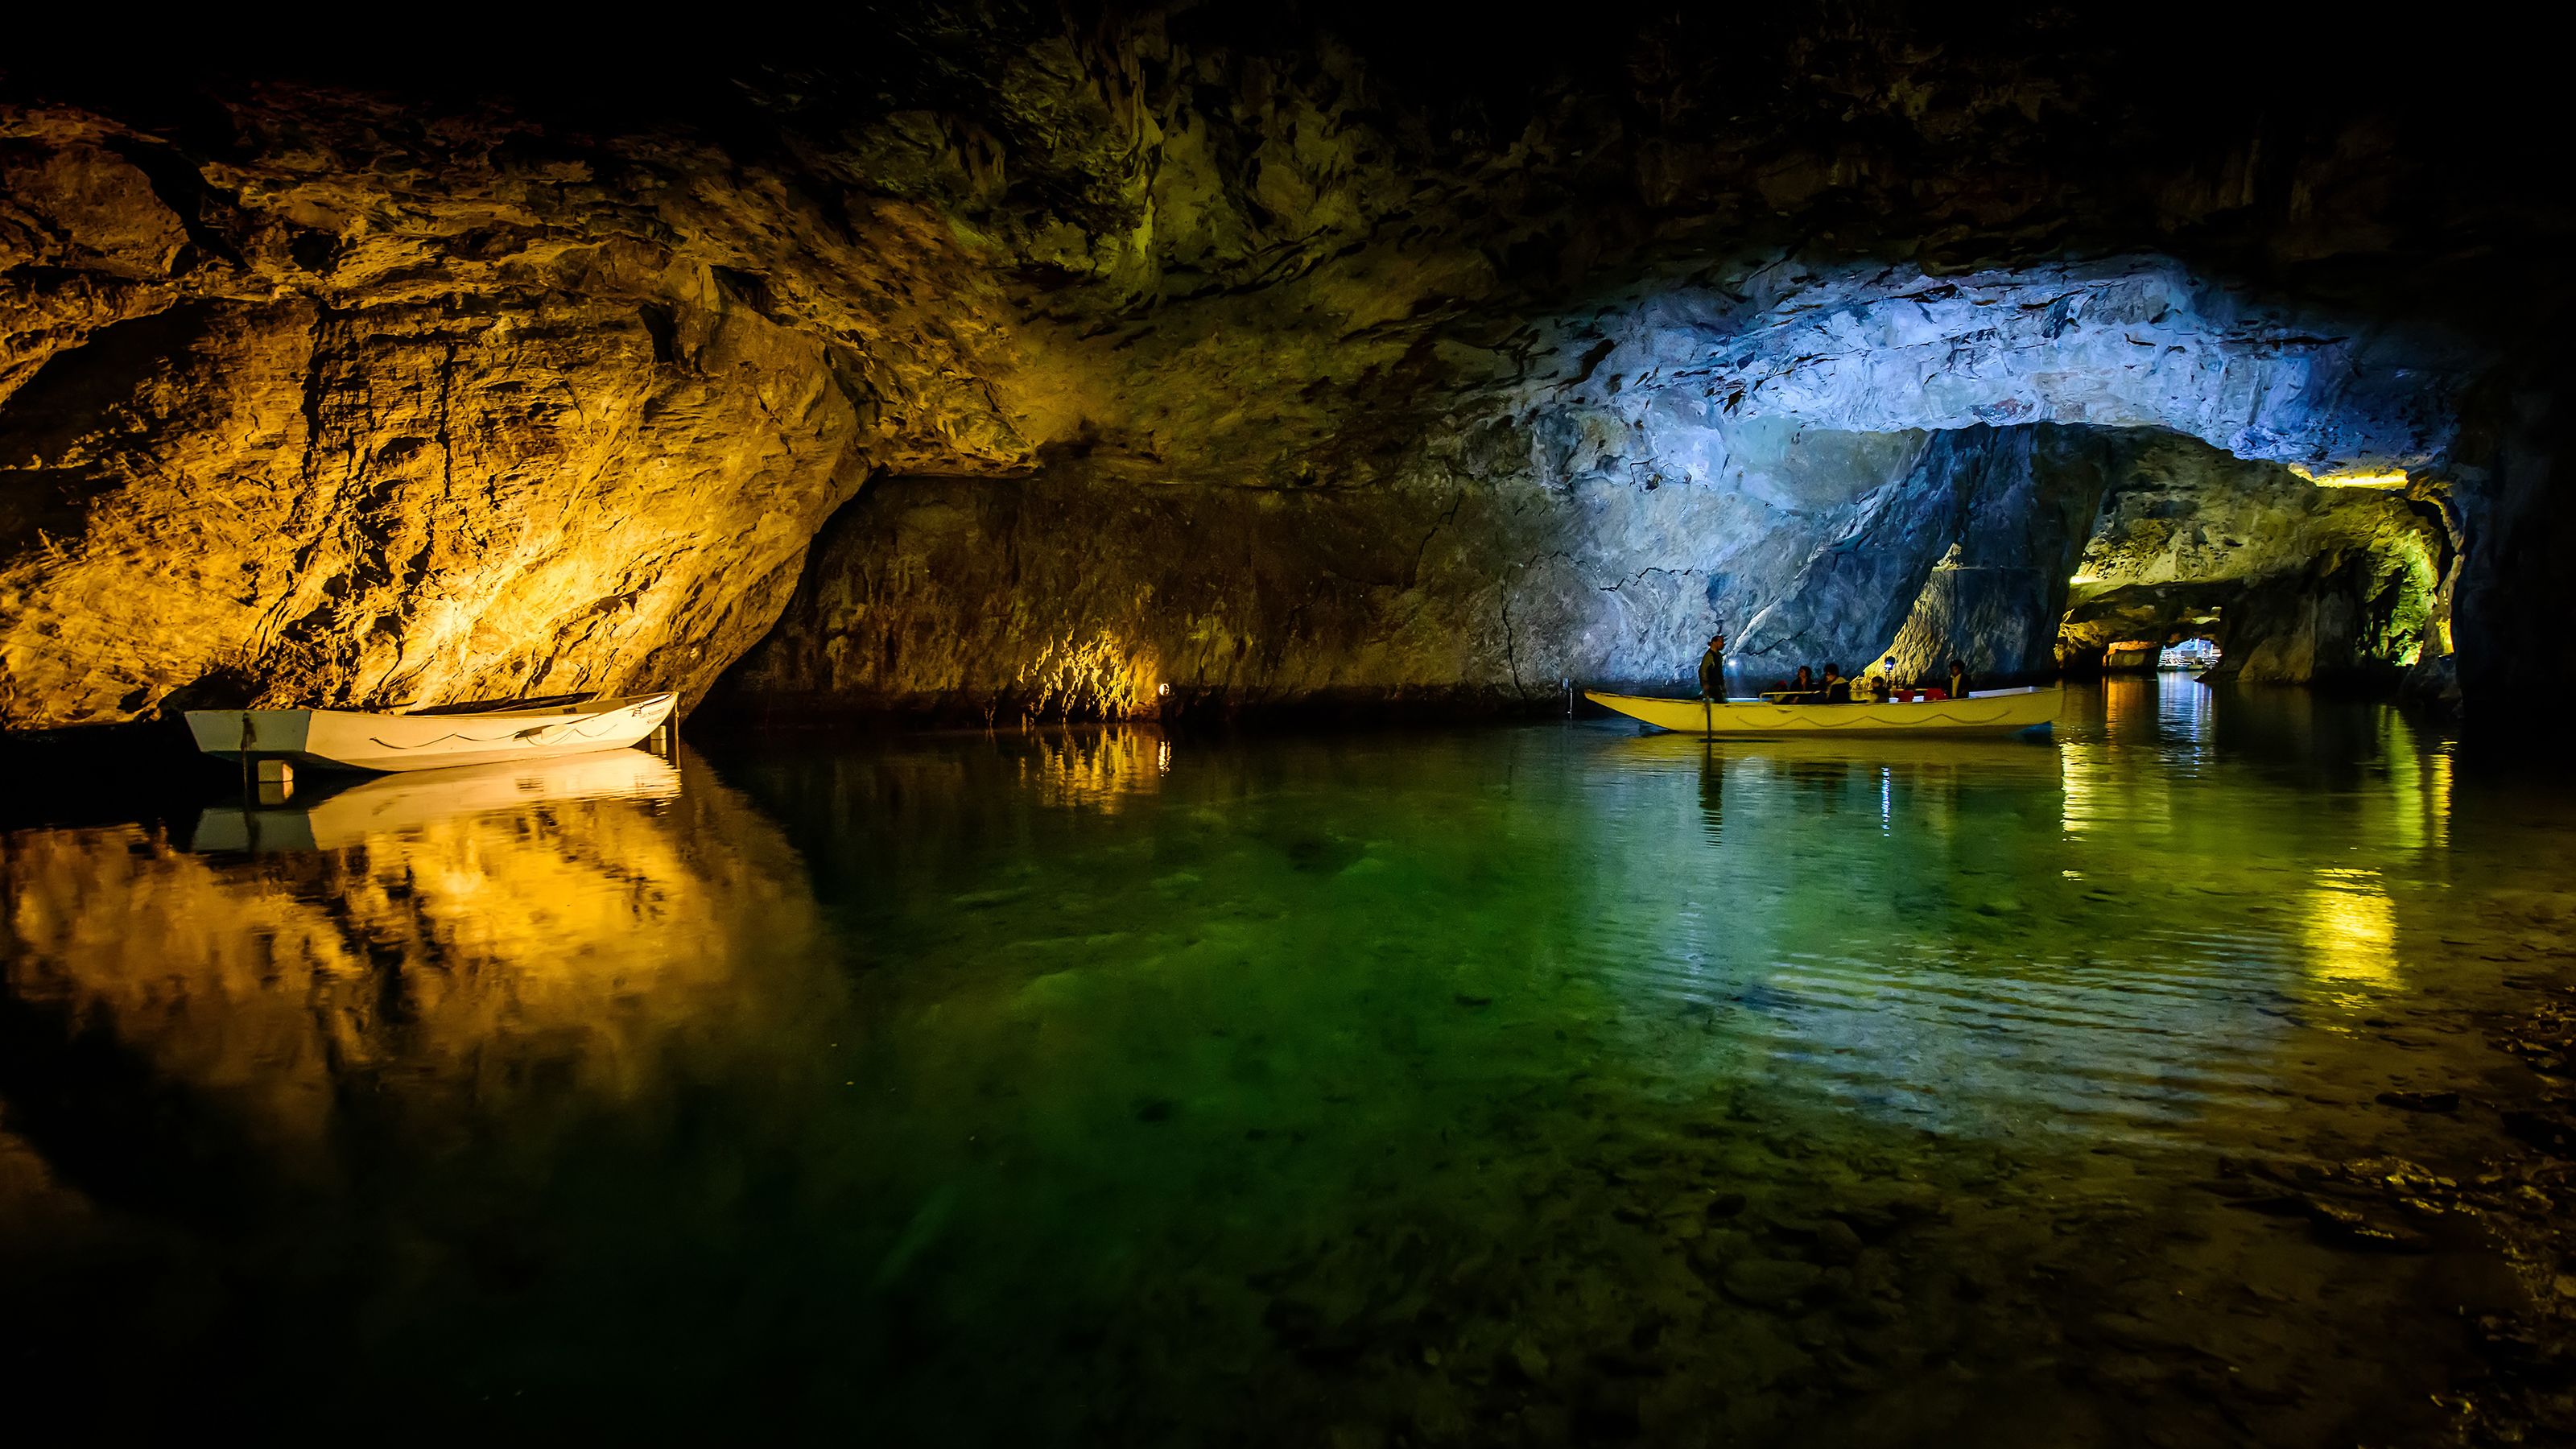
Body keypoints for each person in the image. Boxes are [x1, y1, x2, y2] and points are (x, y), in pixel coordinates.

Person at [1698, 628, 1727, 700]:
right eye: (1721, 642)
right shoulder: (1709, 656)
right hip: (1712, 685)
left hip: (1718, 685)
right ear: (1714, 642)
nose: (1723, 644)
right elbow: (1703, 670)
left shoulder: (1719, 656)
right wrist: (1705, 683)